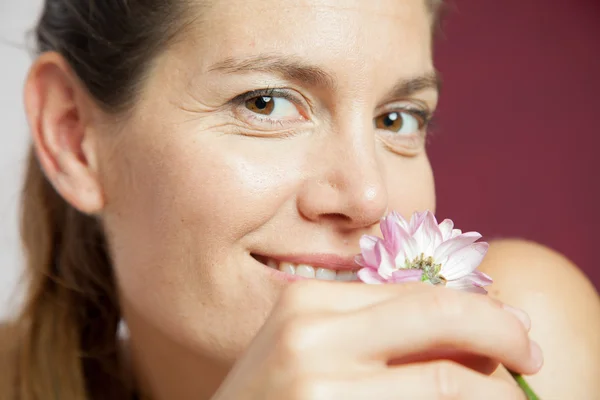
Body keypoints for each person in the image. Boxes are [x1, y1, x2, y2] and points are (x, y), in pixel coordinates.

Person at [1, 0, 599, 399]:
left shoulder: (517, 338)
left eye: (397, 118)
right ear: (73, 138)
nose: (368, 197)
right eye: (266, 103)